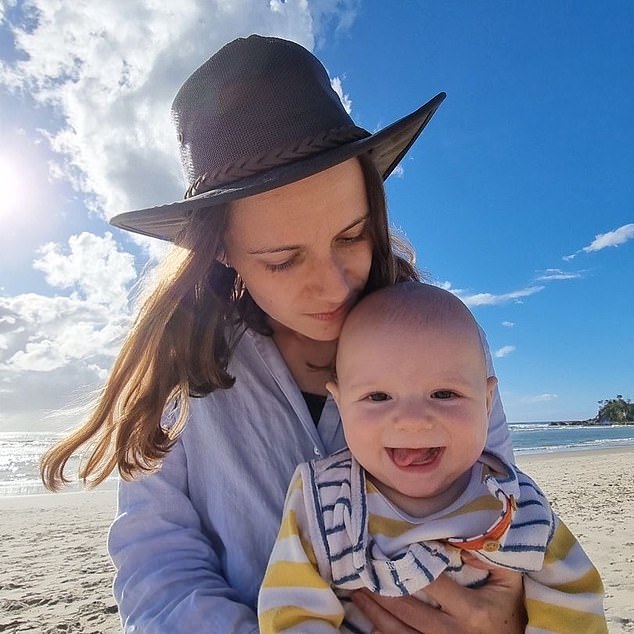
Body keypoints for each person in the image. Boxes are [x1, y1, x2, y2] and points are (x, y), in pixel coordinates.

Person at [40, 35, 526, 633]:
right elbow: (158, 565)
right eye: (282, 259)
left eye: (351, 236)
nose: (332, 286)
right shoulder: (182, 376)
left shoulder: (443, 340)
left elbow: (503, 502)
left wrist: (512, 618)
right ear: (221, 252)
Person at [258, 281, 607, 633]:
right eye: (378, 396)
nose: (411, 421)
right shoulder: (324, 501)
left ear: (487, 404)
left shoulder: (517, 505)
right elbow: (290, 614)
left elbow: (576, 605)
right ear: (341, 404)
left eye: (443, 394)